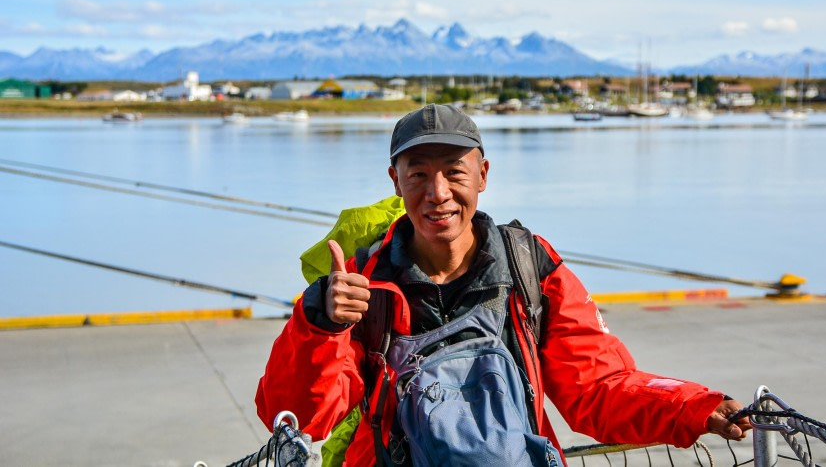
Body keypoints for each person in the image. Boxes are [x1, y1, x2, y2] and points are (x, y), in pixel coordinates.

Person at [256, 103, 752, 466]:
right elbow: (297, 418)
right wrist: (317, 323)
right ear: (395, 179)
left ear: (483, 174)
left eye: (454, 173)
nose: (438, 194)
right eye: (419, 175)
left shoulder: (530, 268)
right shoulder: (357, 286)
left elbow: (597, 389)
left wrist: (694, 407)